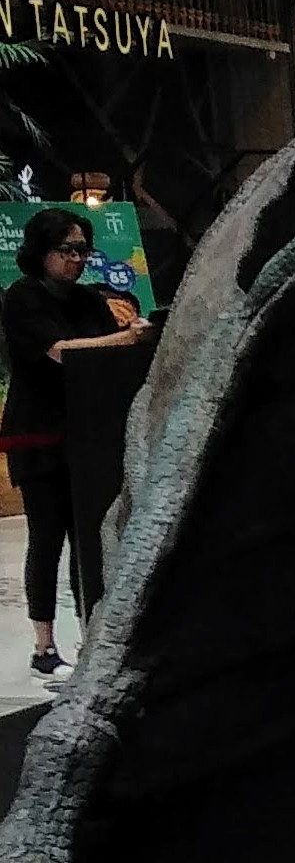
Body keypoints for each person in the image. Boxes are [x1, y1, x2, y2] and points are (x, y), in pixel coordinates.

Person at [3, 205, 143, 680]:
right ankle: (44, 647)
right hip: (38, 435)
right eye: (68, 250)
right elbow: (60, 352)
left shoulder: (87, 300)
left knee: (92, 537)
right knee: (48, 537)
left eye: (84, 250)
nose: (78, 260)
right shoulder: (21, 297)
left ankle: (94, 637)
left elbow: (111, 347)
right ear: (41, 251)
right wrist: (121, 341)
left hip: (87, 434)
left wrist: (132, 334)